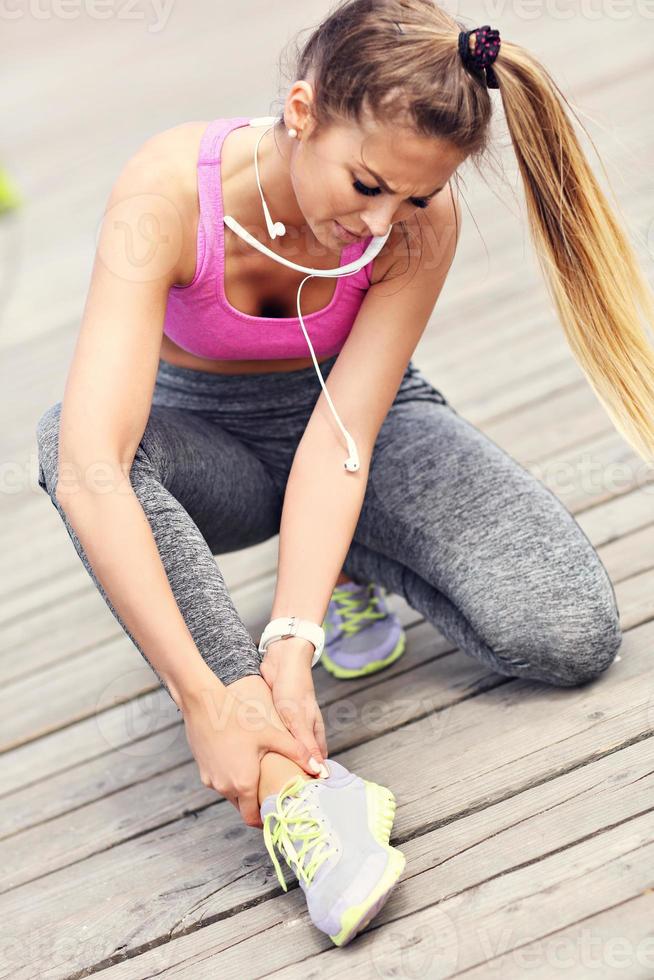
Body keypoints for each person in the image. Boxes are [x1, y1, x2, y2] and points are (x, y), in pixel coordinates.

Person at [35, 0, 654, 947]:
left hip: (360, 429)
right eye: (366, 183)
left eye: (409, 198)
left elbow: (344, 427)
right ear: (300, 110)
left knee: (566, 630)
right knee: (67, 437)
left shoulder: (415, 224)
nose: (379, 221)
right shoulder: (167, 192)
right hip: (217, 456)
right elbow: (91, 470)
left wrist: (294, 636)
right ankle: (300, 794)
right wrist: (210, 698)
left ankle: (349, 565)